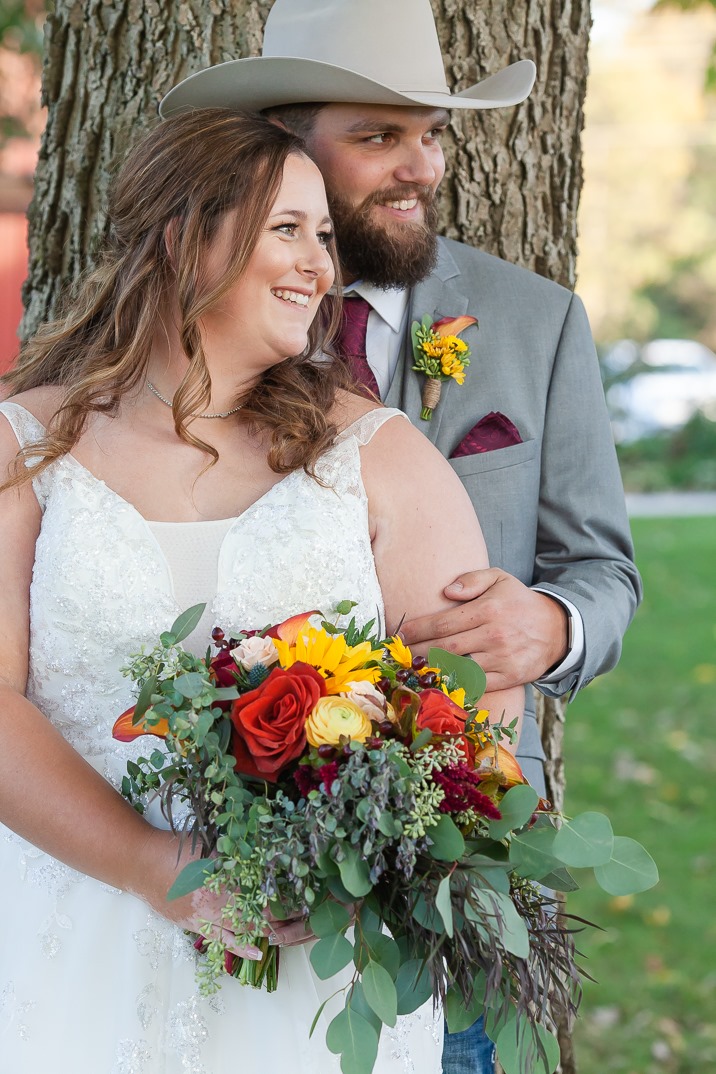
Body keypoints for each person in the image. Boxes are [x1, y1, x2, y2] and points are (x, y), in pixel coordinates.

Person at [159, 1, 643, 1071]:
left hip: (457, 879)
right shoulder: (191, 338)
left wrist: (552, 625)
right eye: (376, 137)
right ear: (285, 149)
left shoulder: (532, 320)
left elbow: (604, 571)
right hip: (230, 866)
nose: (418, 165)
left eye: (429, 132)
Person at [0, 109, 524, 1072]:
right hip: (72, 940)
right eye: (288, 230)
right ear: (182, 235)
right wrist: (155, 869)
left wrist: (389, 845)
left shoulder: (378, 454)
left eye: (325, 237)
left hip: (317, 973)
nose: (321, 267)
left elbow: (477, 689)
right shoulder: (26, 448)